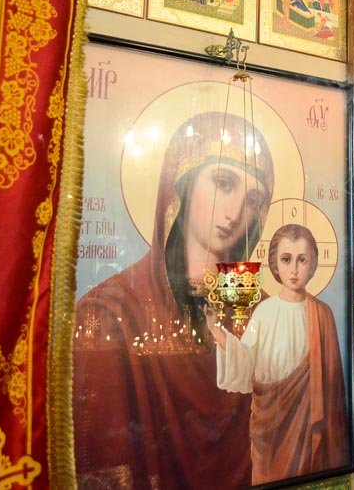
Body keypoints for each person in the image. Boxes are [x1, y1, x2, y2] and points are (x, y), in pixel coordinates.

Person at [73, 112, 275, 489]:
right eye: (223, 183)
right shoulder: (110, 312)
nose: (234, 213)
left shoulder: (264, 311)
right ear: (181, 184)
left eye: (252, 200)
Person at [212, 224, 349, 484]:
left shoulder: (323, 314)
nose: (294, 269)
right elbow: (246, 359)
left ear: (313, 263)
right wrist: (219, 336)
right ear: (274, 263)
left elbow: (332, 387)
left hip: (310, 426)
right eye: (286, 259)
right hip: (271, 424)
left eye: (302, 260)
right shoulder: (264, 312)